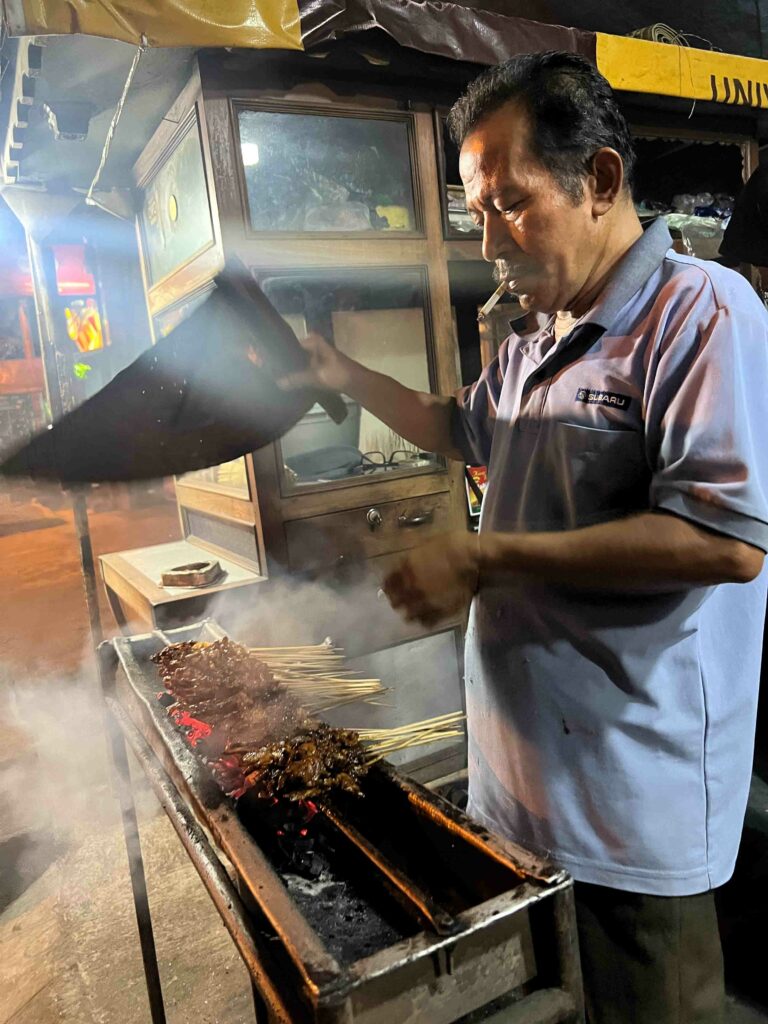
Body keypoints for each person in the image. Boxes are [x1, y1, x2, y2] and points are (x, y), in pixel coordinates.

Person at [280, 52, 768, 1023]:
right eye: (475, 211)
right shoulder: (534, 340)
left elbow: (725, 541)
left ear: (598, 180)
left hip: (632, 798)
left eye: (507, 202)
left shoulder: (703, 315)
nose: (487, 236)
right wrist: (341, 373)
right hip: (524, 787)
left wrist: (487, 554)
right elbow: (458, 427)